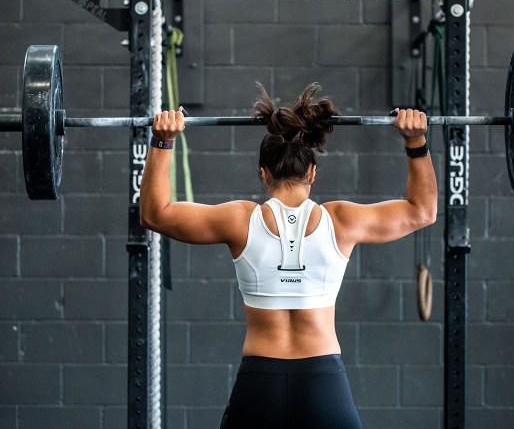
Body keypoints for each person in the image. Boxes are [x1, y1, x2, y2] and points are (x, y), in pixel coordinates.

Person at [140, 82, 437, 429]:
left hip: (259, 384)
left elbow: (155, 214)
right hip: (324, 382)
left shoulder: (240, 220)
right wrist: (416, 142)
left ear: (263, 173)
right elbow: (423, 211)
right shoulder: (342, 221)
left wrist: (163, 142)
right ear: (312, 172)